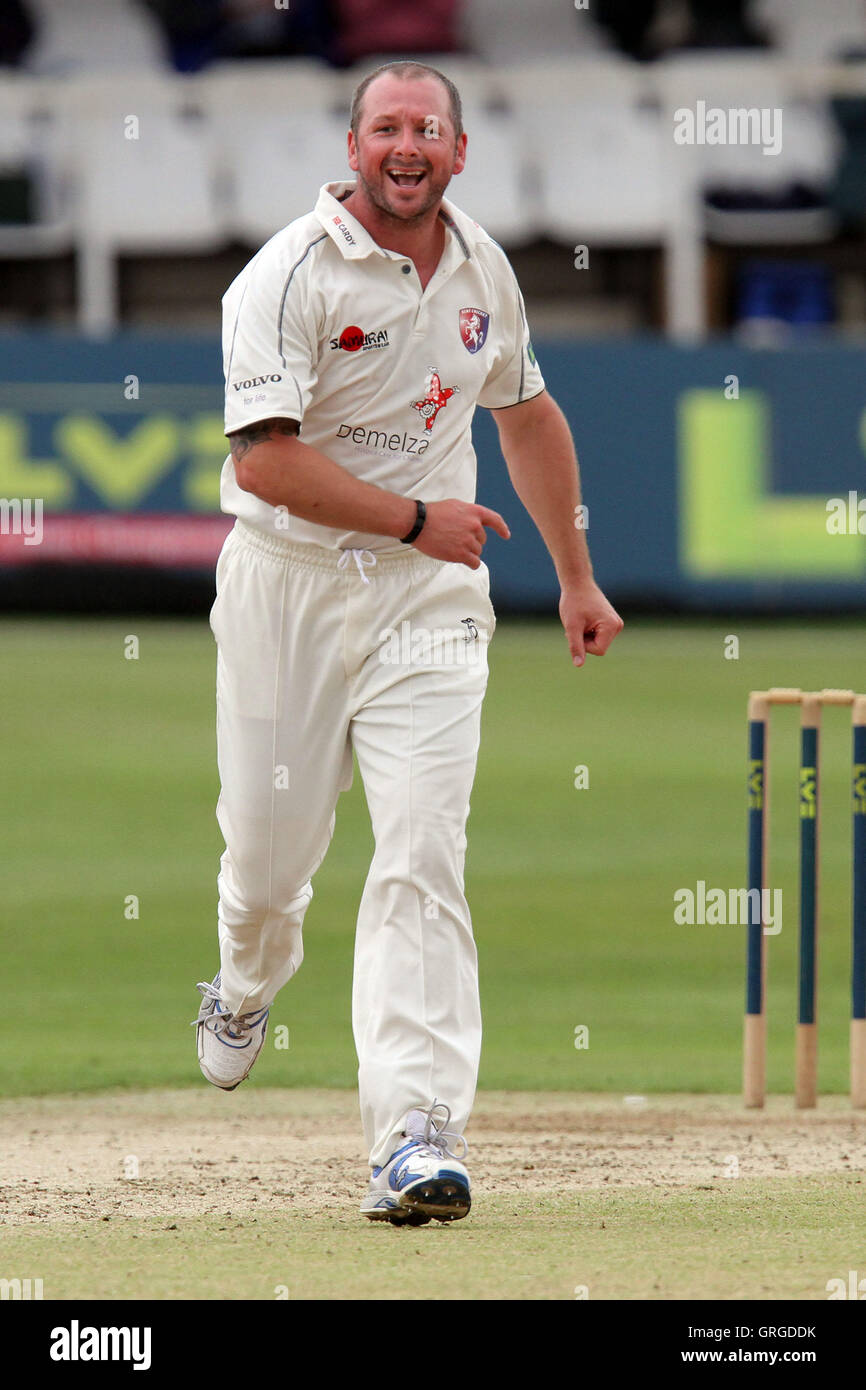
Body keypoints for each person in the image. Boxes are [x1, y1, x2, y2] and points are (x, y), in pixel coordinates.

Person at [194, 59, 623, 1226]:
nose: (405, 145)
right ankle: (243, 980)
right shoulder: (281, 276)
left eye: (425, 128)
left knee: (423, 851)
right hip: (288, 586)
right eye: (385, 126)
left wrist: (574, 577)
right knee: (271, 864)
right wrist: (411, 518)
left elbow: (526, 414)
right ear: (353, 146)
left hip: (429, 602)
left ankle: (414, 1131)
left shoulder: (483, 269)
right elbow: (262, 459)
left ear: (457, 151)